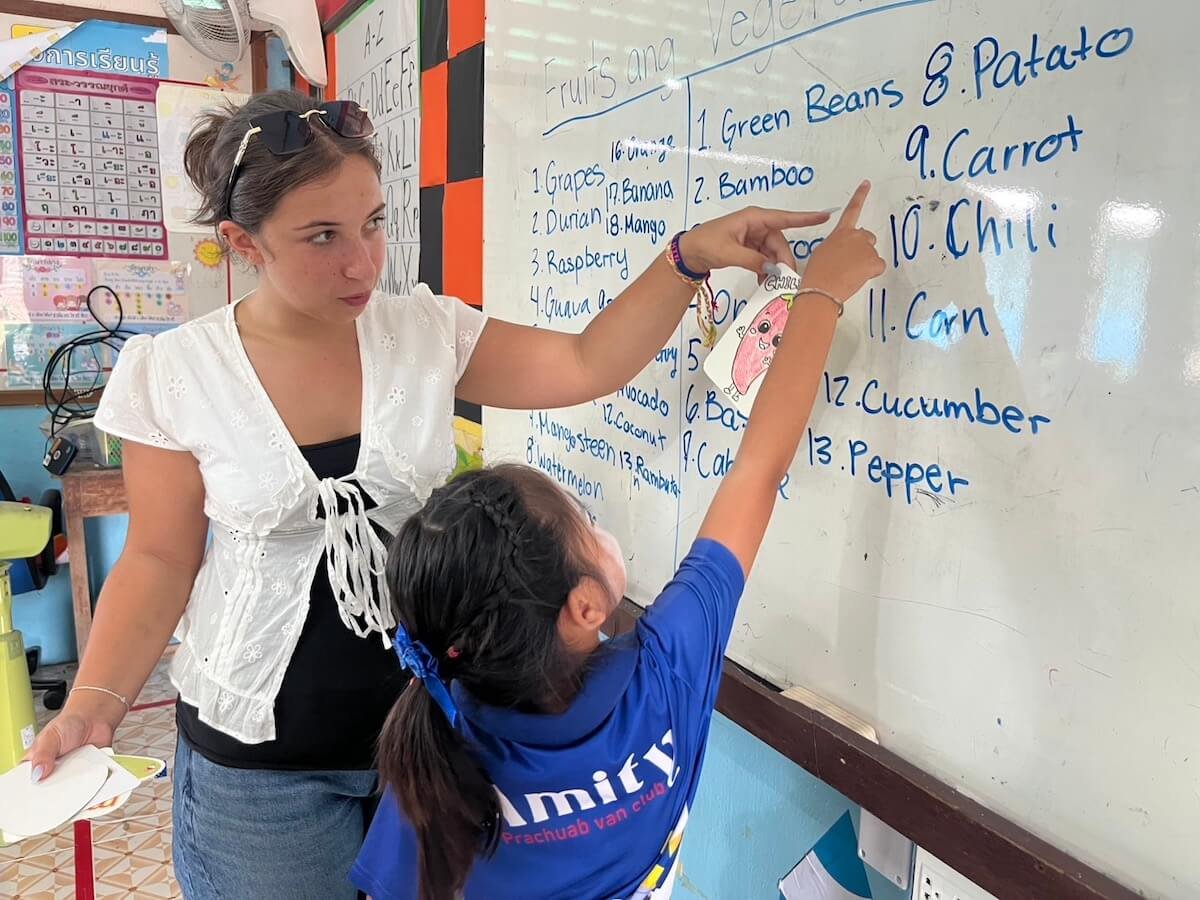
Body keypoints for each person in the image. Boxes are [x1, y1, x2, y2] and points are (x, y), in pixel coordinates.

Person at [24, 89, 838, 898]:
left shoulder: (420, 333)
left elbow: (589, 362)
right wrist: (95, 700)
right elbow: (163, 558)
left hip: (434, 744)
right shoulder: (176, 373)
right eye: (322, 237)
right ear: (244, 242)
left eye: (374, 223)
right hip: (261, 776)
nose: (362, 262)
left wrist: (688, 255)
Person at [351, 183, 884, 900]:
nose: (600, 527)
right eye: (586, 525)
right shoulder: (665, 673)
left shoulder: (437, 756)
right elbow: (759, 469)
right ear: (584, 608)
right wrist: (821, 295)